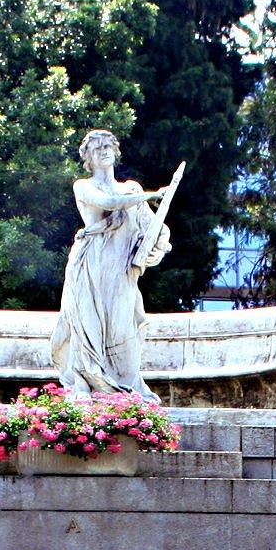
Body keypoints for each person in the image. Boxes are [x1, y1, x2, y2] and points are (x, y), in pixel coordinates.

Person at [50, 129, 172, 398]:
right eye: (97, 148)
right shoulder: (83, 185)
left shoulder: (131, 188)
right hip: (90, 267)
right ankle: (90, 384)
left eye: (108, 146)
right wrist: (151, 195)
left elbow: (154, 228)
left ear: (116, 152)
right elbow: (109, 203)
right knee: (89, 329)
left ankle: (124, 393)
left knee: (123, 328)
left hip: (122, 271)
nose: (104, 151)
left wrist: (158, 247)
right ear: (88, 158)